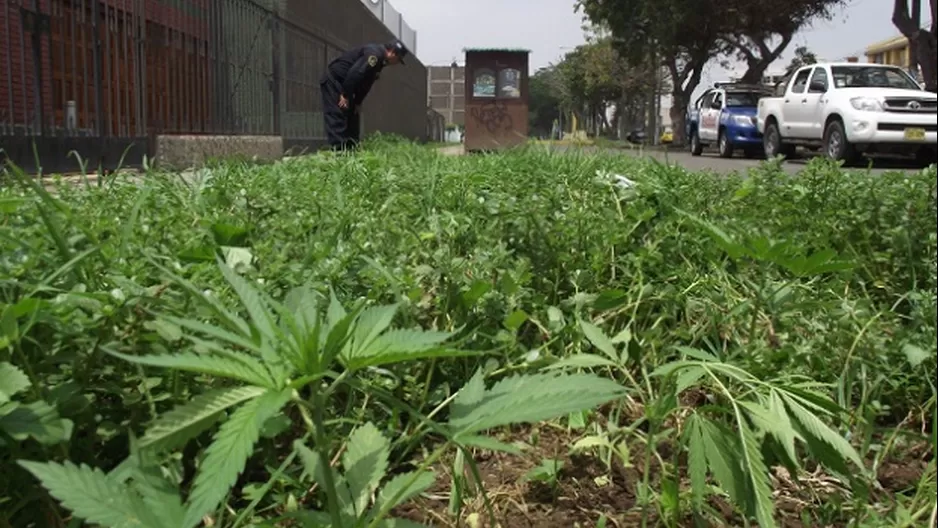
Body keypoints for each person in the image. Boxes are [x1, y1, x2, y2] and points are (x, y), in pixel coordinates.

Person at [319, 39, 409, 151]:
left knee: (353, 117)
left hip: (347, 85)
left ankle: (352, 150)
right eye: (398, 59)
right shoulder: (374, 55)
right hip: (335, 81)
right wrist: (345, 95)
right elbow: (356, 73)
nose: (396, 63)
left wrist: (357, 102)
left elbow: (366, 83)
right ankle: (339, 153)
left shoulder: (380, 62)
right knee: (337, 114)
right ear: (392, 53)